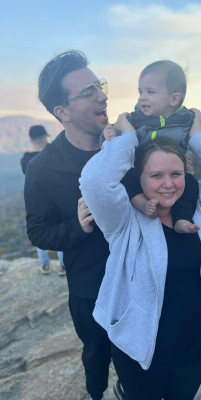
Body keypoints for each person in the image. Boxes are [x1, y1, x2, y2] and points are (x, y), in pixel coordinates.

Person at [79, 109, 201, 400]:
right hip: (140, 350)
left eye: (176, 174)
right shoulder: (123, 215)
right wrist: (127, 138)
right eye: (156, 175)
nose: (168, 184)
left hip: (195, 345)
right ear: (138, 177)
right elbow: (94, 182)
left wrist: (199, 139)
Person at [23, 51, 124, 400]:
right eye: (88, 92)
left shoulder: (124, 146)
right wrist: (76, 226)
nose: (102, 95)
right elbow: (37, 231)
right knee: (96, 357)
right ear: (61, 112)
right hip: (89, 287)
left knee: (140, 360)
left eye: (99, 85)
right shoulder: (42, 170)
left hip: (139, 278)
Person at [101, 60, 201, 234]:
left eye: (150, 92)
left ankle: (182, 219)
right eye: (140, 91)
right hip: (142, 173)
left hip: (174, 174)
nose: (142, 97)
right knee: (127, 177)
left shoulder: (185, 119)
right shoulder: (135, 119)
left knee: (191, 183)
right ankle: (143, 205)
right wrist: (108, 136)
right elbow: (114, 138)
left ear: (174, 99)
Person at [21, 125, 65, 275]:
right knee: (61, 229)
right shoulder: (51, 154)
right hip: (57, 199)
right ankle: (62, 266)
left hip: (37, 202)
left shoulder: (25, 160)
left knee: (40, 231)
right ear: (44, 138)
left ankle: (45, 265)